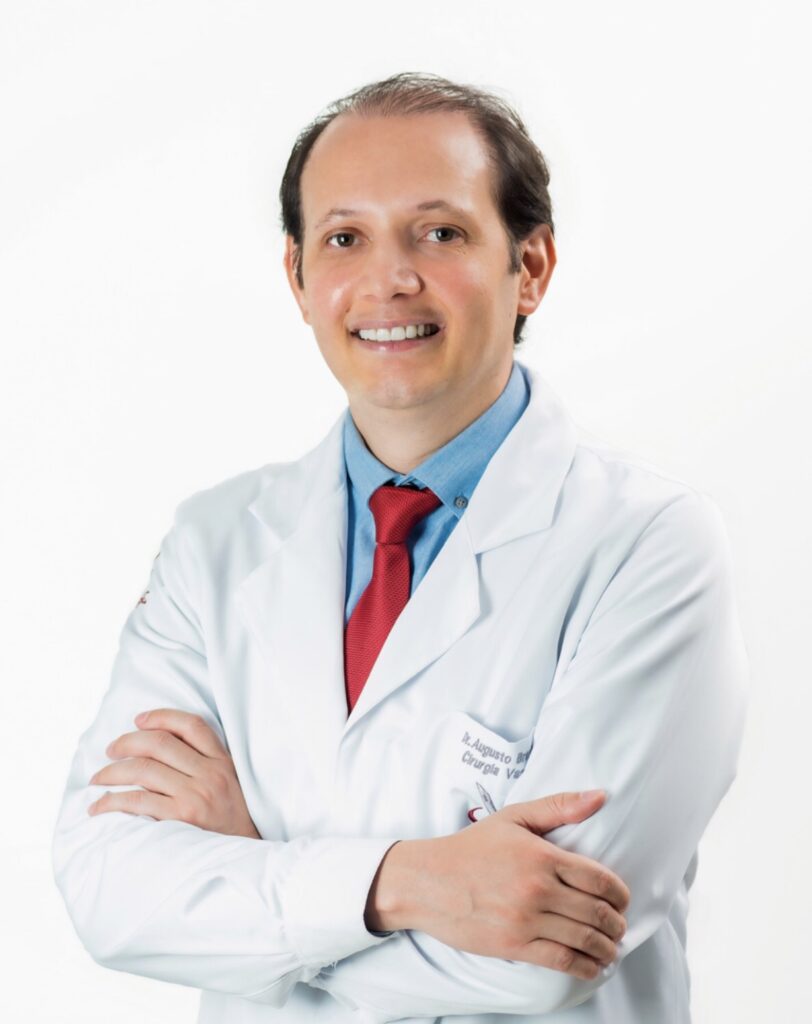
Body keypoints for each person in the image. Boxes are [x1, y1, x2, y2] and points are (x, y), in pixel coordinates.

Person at [51, 72, 749, 1023]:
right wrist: (406, 883)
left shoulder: (648, 546)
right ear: (298, 277)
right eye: (345, 239)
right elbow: (109, 893)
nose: (389, 281)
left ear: (531, 266)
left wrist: (249, 874)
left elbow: (546, 958)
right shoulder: (214, 545)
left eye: (441, 233)